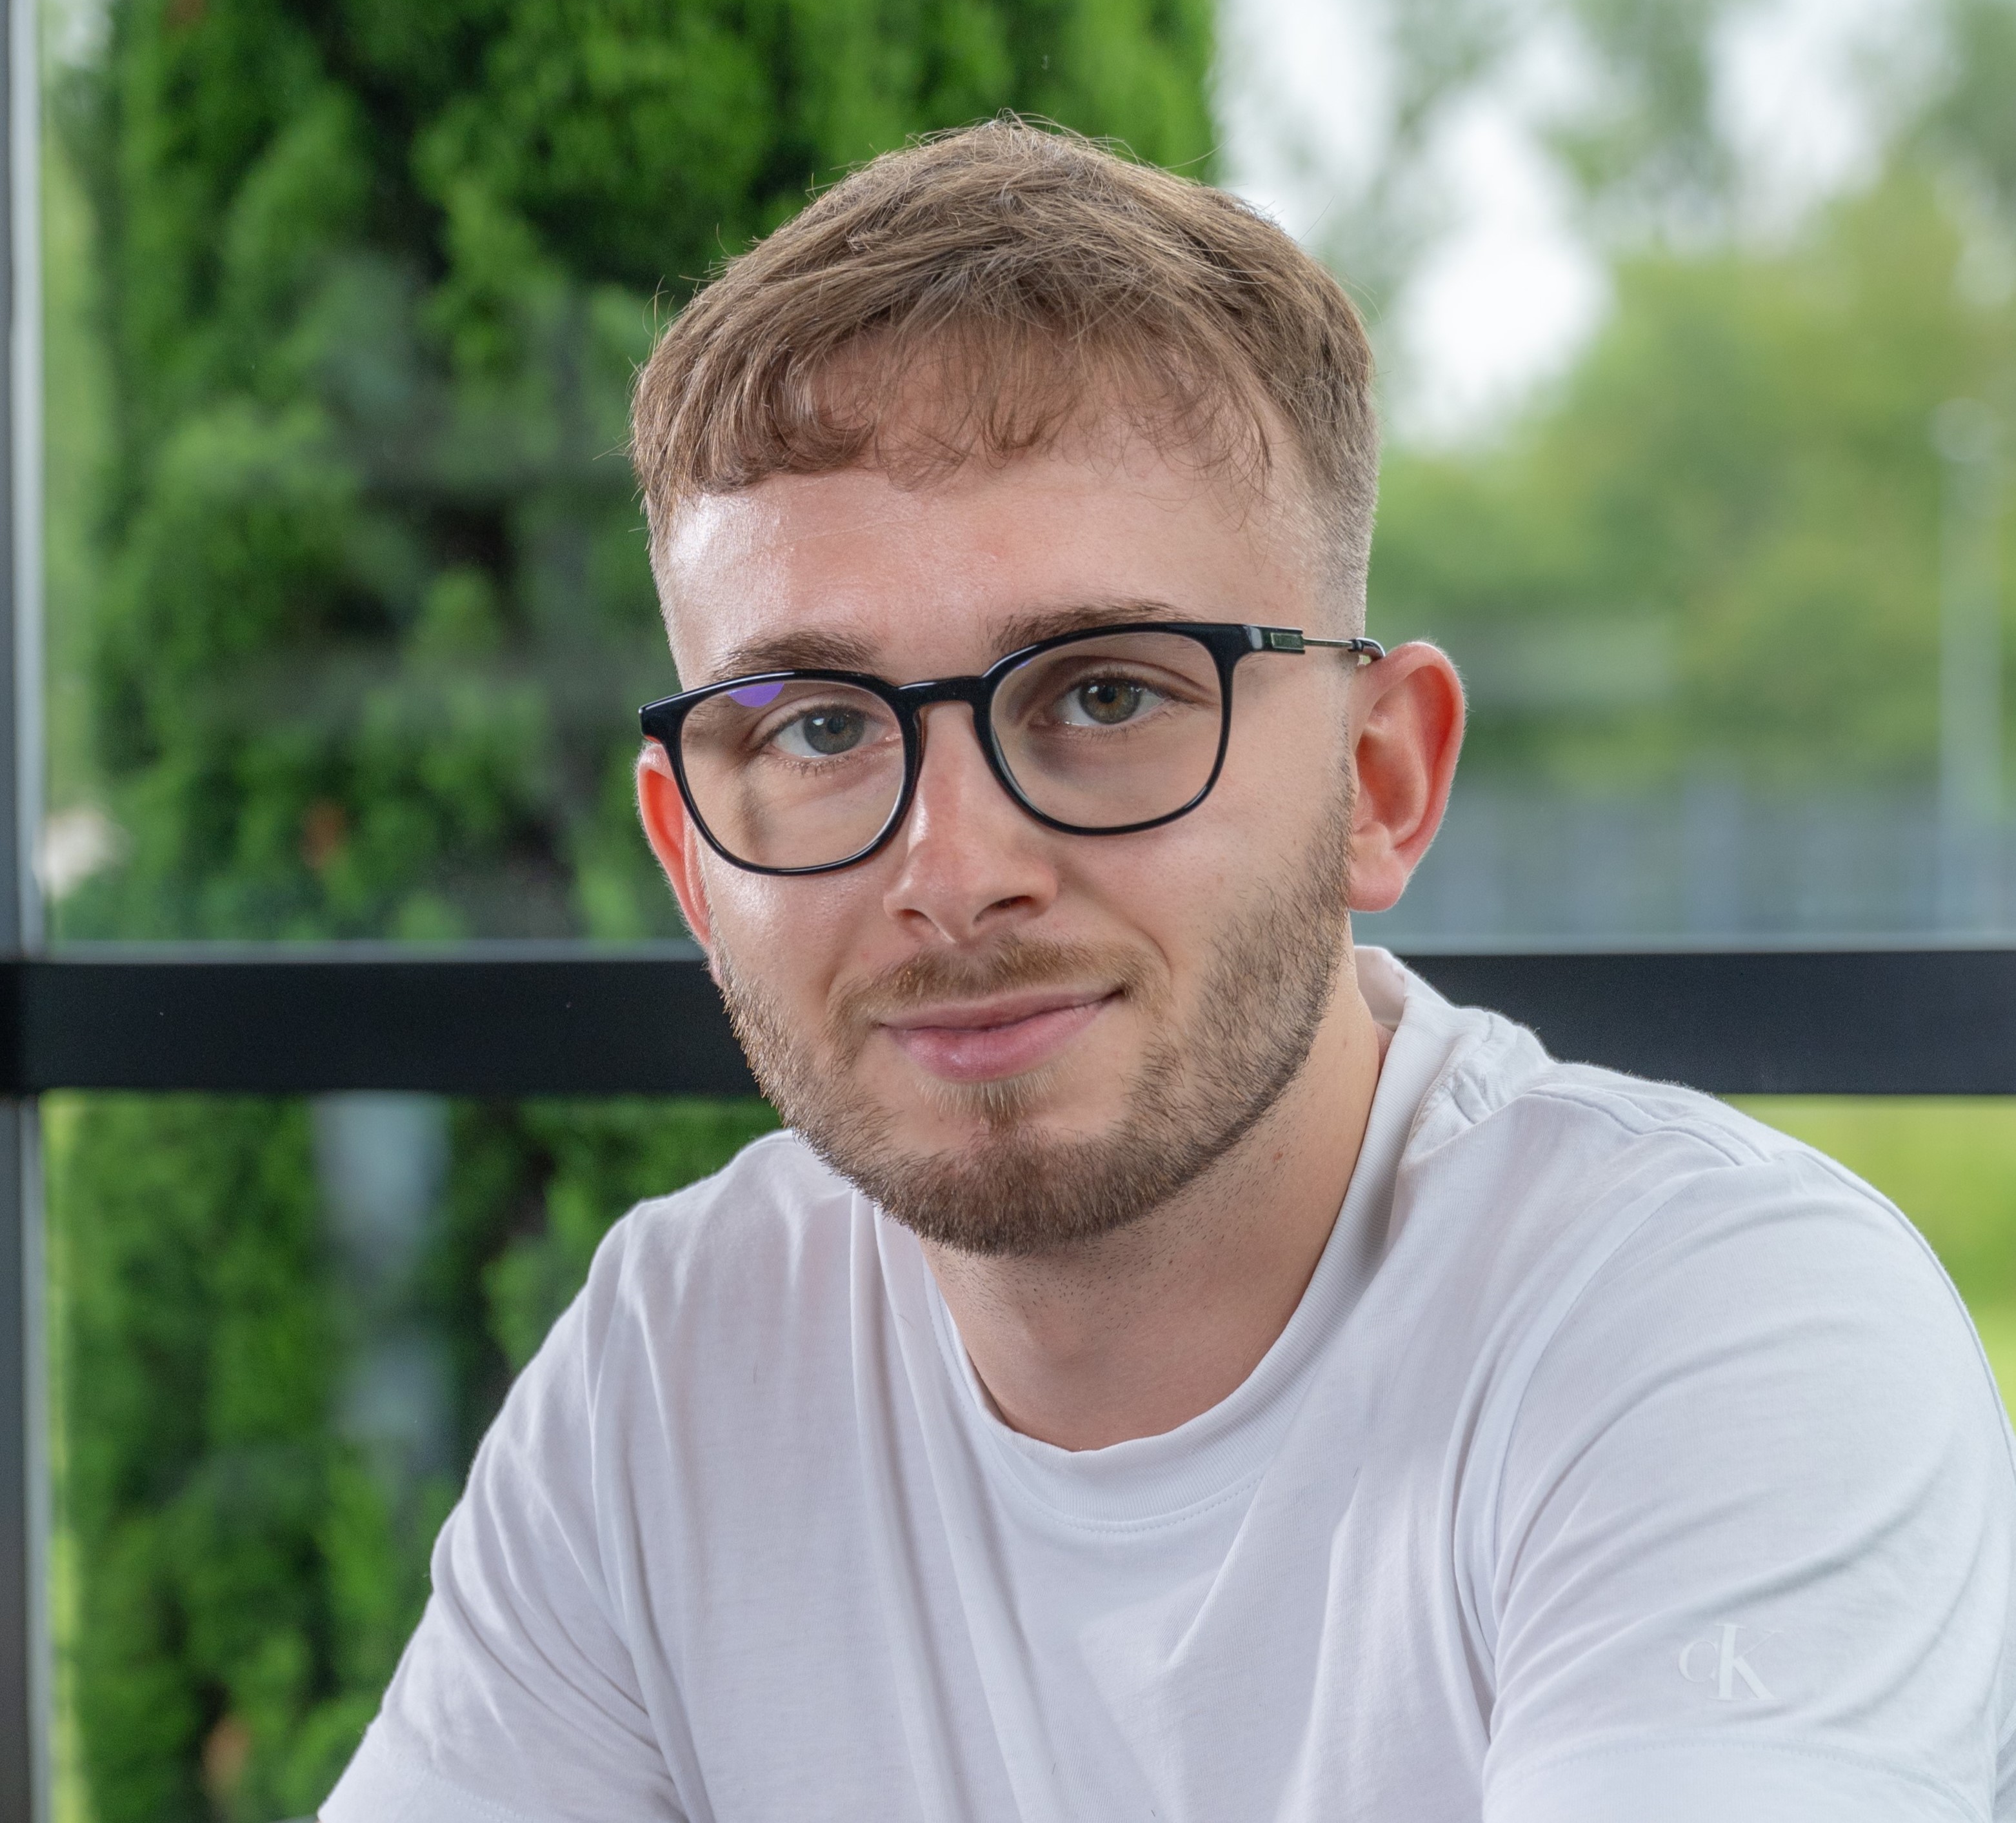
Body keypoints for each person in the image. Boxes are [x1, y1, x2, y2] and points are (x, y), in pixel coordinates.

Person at [324, 119, 2016, 1823]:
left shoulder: (1713, 1326)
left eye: (1106, 695)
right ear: (693, 860)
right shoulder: (677, 1356)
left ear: (1378, 781)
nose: (956, 875)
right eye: (822, 730)